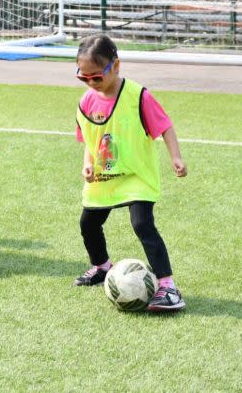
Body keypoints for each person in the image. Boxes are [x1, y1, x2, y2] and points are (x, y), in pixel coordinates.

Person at [72, 34, 187, 312]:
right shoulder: (86, 102)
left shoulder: (138, 96)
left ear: (116, 66)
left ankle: (168, 287)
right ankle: (101, 267)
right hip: (104, 177)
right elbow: (90, 138)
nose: (90, 83)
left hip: (136, 176)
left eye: (96, 77)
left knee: (142, 224)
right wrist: (87, 163)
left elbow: (165, 126)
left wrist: (175, 156)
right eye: (82, 77)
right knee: (88, 223)